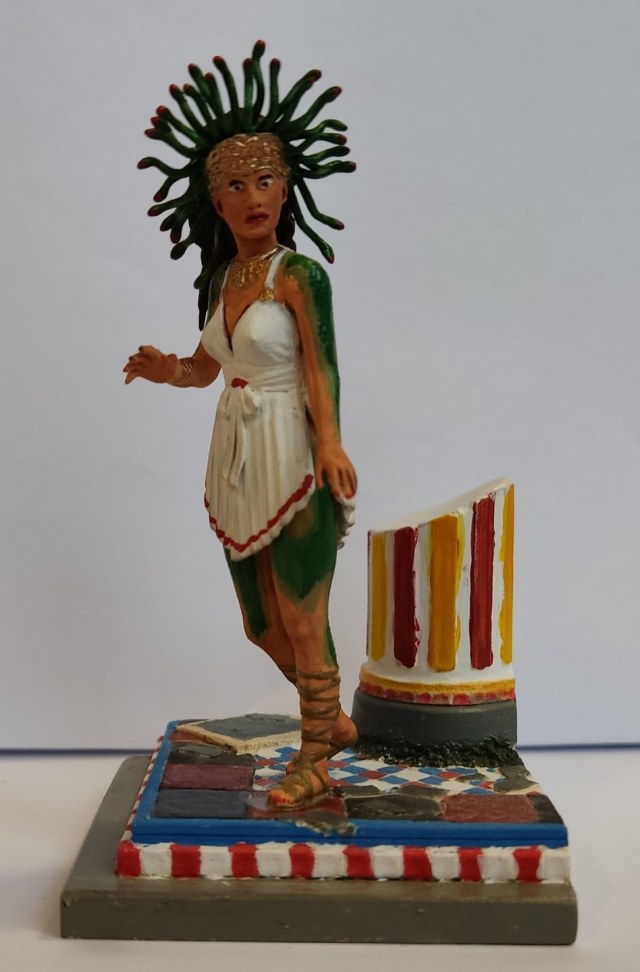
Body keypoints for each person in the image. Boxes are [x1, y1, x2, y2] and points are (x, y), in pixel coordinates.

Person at [123, 45, 358, 808]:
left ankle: (315, 754)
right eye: (234, 185)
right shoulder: (224, 278)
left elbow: (321, 365)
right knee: (262, 625)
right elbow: (207, 369)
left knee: (303, 615)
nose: (252, 196)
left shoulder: (301, 275)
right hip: (236, 458)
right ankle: (332, 716)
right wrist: (167, 369)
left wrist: (330, 441)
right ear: (215, 202)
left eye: (264, 180)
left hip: (293, 452)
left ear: (286, 189)